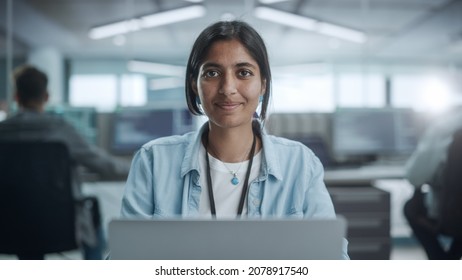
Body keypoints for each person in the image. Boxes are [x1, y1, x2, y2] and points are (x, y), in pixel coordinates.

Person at [120, 20, 349, 259]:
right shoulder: (154, 161)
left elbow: (332, 260)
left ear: (263, 85)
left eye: (244, 73)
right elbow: (124, 260)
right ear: (194, 84)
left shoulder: (300, 164)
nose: (228, 88)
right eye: (212, 73)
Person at [0, 64, 131, 259]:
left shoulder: (2, 132)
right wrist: (143, 166)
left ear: (16, 97)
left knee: (24, 220)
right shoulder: (60, 129)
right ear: (46, 96)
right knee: (92, 211)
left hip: (9, 225)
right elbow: (104, 164)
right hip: (59, 225)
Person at [404, 105, 462, 259]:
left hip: (451, 216)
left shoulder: (444, 128)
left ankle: (441, 260)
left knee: (411, 207)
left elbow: (414, 177)